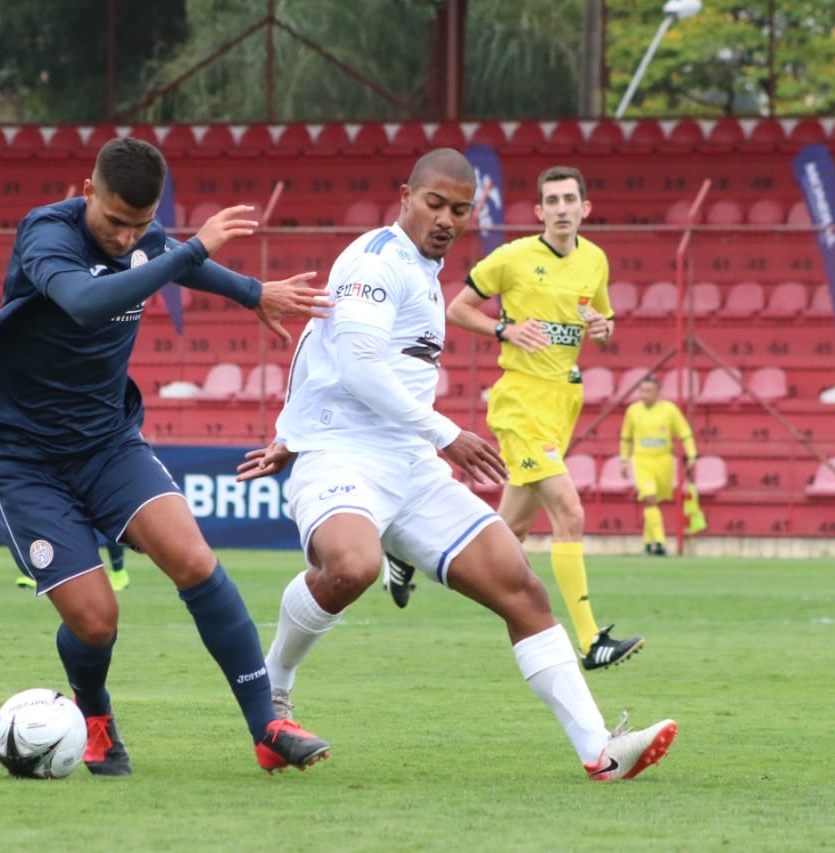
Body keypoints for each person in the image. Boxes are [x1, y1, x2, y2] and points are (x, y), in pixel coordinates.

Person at [237, 149, 676, 782]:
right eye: (434, 203)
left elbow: (326, 348)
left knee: (521, 588)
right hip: (343, 456)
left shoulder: (423, 270)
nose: (446, 218)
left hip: (409, 465)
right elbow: (358, 364)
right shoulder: (377, 260)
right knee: (352, 567)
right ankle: (273, 694)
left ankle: (601, 752)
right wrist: (443, 433)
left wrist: (297, 421)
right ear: (405, 196)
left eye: (460, 209)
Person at [0, 136, 332, 776]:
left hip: (107, 444)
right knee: (96, 622)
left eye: (139, 224)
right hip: (26, 459)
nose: (124, 236)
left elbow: (176, 261)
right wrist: (189, 247)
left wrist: (254, 293)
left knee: (193, 559)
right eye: (114, 220)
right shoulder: (46, 236)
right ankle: (96, 717)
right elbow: (86, 305)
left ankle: (266, 726)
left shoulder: (147, 239)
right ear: (86, 192)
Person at [430, 164, 642, 672]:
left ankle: (414, 554)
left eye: (571, 199)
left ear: (585, 208)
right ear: (540, 210)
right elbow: (456, 308)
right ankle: (591, 641)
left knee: (509, 533)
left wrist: (602, 327)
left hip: (561, 403)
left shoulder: (595, 260)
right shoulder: (514, 257)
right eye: (553, 200)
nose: (563, 208)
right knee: (569, 513)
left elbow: (605, 325)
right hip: (520, 402)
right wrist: (504, 328)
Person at [619, 374, 698, 556]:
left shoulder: (669, 410)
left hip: (663, 461)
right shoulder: (633, 411)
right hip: (642, 460)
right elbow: (626, 437)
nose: (644, 394)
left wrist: (692, 455)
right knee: (649, 498)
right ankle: (660, 543)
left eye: (649, 391)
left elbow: (685, 433)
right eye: (642, 391)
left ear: (658, 393)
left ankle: (647, 543)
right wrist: (624, 460)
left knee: (653, 503)